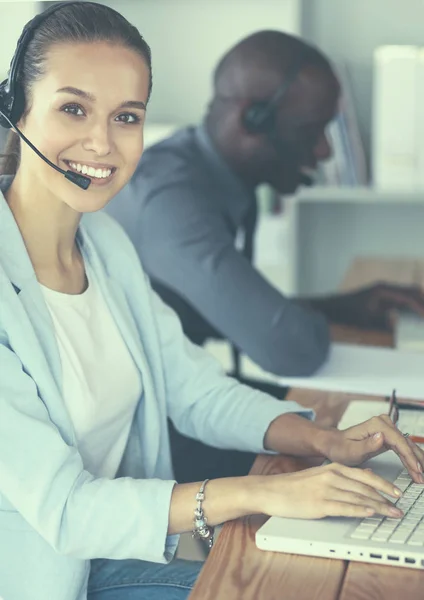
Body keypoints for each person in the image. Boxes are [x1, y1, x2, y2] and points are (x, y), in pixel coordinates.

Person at [1, 3, 424, 599]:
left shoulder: (103, 243)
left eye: (127, 116)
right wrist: (261, 491)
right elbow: (66, 509)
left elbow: (191, 386)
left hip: (108, 557)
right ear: (14, 108)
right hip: (38, 578)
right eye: (73, 108)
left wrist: (320, 438)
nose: (101, 142)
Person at [104, 29, 424, 483]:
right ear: (251, 119)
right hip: (140, 429)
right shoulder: (171, 201)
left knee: (365, 434)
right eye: (310, 132)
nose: (324, 151)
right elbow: (288, 348)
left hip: (179, 394)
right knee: (355, 459)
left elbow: (230, 314)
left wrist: (339, 306)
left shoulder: (200, 169)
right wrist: (301, 320)